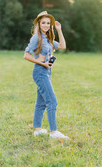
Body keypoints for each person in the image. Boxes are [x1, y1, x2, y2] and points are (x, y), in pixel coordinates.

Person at [24, 11, 69, 139]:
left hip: (46, 73)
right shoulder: (36, 38)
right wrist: (41, 63)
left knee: (41, 103)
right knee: (52, 102)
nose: (46, 25)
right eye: (43, 22)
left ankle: (38, 129)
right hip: (40, 72)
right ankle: (54, 132)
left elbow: (62, 46)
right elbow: (26, 55)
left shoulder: (48, 38)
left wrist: (59, 30)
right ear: (39, 23)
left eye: (48, 23)